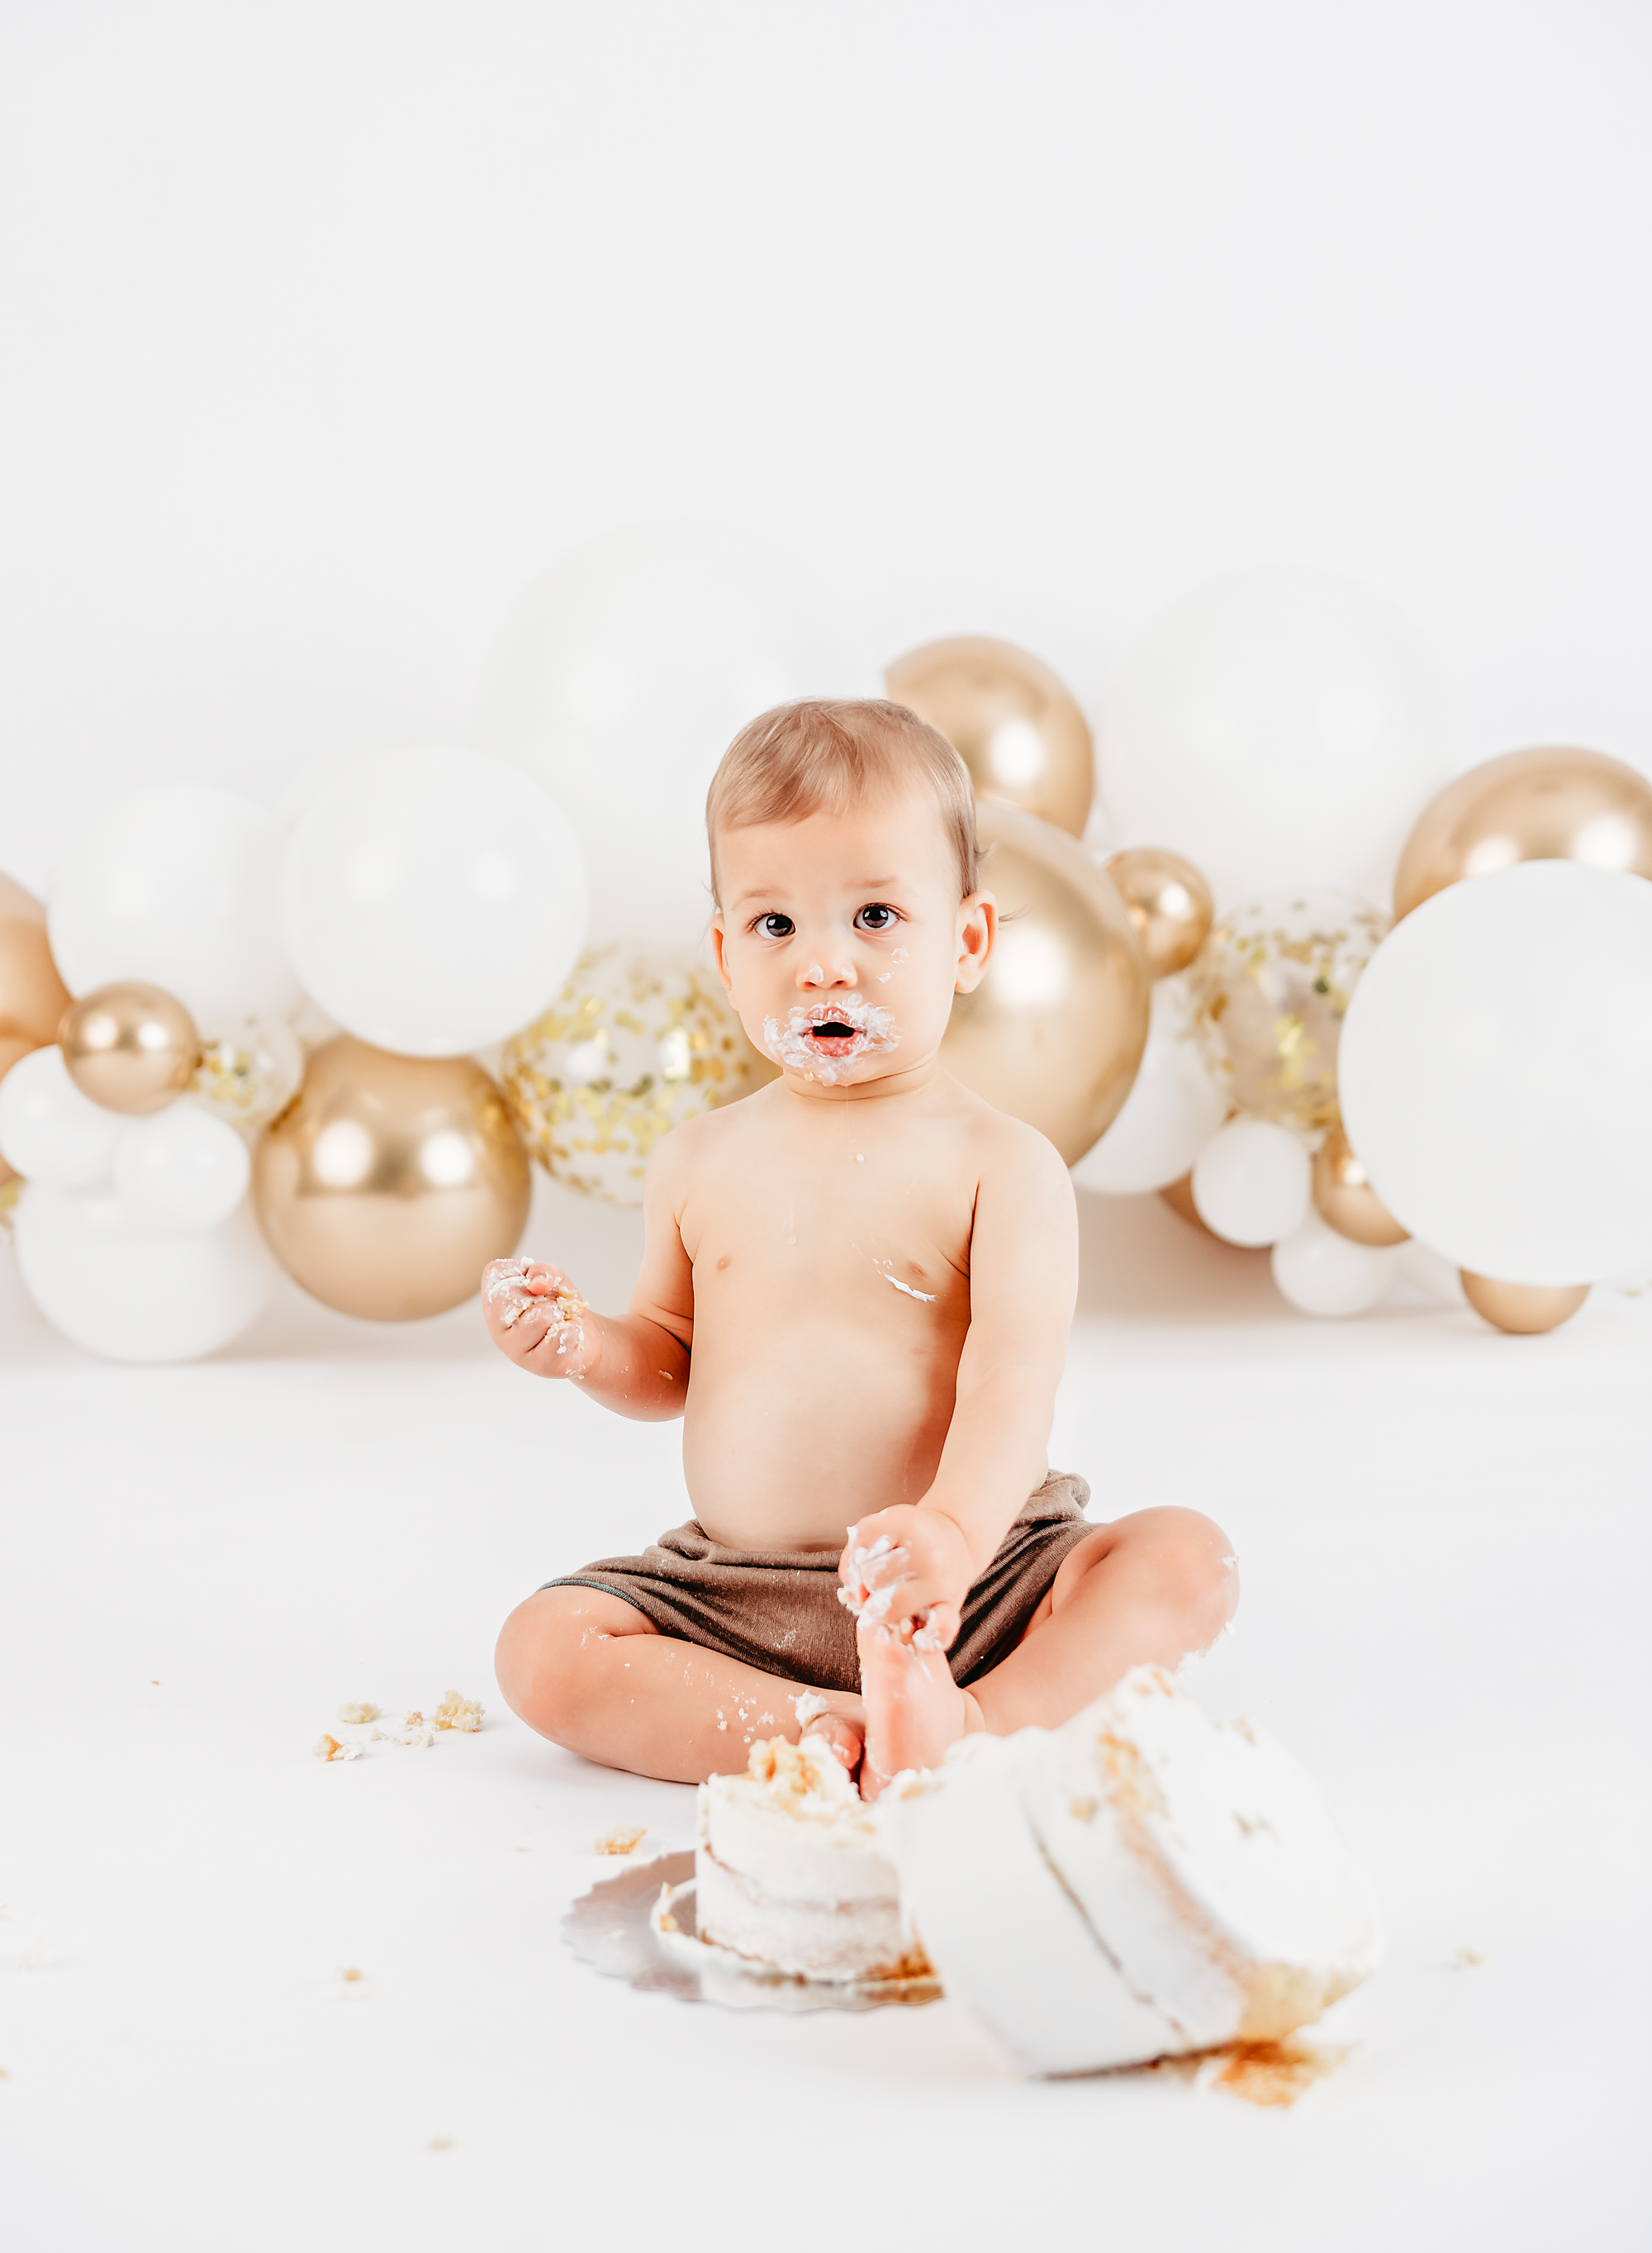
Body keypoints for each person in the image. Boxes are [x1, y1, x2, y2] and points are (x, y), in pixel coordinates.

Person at [487, 698, 1237, 1797]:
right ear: (725, 953)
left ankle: (975, 1716)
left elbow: (1010, 1382)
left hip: (978, 1578)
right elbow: (667, 1359)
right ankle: (821, 1724)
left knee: (1183, 1557)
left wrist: (951, 1533)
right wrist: (583, 1346)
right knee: (541, 1647)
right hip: (734, 1593)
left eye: (877, 916)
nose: (824, 966)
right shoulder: (698, 1159)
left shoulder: (1001, 1163)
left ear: (968, 941)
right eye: (776, 926)